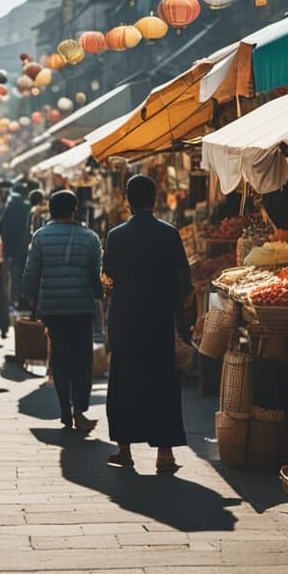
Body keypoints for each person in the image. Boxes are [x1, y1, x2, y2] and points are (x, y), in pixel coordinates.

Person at [102, 174, 192, 474]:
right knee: (162, 386)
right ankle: (164, 454)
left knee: (124, 387)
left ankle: (124, 450)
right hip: (160, 322)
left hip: (125, 321)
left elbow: (108, 275)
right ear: (155, 199)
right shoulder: (169, 234)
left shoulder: (116, 235)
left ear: (127, 200)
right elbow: (184, 280)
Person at [20, 190, 103, 432]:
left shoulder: (40, 236)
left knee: (59, 357)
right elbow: (97, 275)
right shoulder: (89, 237)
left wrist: (31, 300)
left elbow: (31, 273)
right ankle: (79, 410)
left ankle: (64, 408)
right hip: (81, 308)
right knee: (81, 360)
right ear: (74, 210)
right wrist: (99, 295)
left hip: (52, 308)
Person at [0, 182, 33, 308]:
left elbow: (2, 226)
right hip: (24, 245)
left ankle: (14, 300)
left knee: (14, 274)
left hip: (11, 246)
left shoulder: (9, 205)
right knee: (23, 272)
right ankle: (24, 300)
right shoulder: (27, 206)